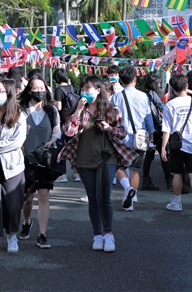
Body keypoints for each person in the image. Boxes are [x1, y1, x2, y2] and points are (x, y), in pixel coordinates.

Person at [59, 76, 138, 252]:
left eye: (89, 89)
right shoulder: (79, 110)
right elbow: (69, 132)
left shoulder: (112, 110)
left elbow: (123, 133)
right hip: (84, 160)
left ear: (98, 90)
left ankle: (109, 234)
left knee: (104, 197)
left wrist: (109, 128)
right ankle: (97, 234)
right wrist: (78, 110)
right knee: (93, 199)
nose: (85, 92)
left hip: (106, 159)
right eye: (83, 89)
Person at [18, 75, 61, 249]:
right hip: (24, 160)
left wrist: (53, 140)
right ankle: (26, 222)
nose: (38, 91)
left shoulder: (51, 110)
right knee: (27, 199)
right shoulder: (21, 110)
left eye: (41, 88)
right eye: (35, 88)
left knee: (44, 196)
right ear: (29, 90)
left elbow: (57, 132)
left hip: (44, 159)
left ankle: (43, 235)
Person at [0, 79, 27, 259]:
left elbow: (16, 143)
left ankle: (12, 236)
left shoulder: (20, 116)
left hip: (13, 165)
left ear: (10, 93)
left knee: (13, 205)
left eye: (1, 90)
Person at [161, 73, 192, 215]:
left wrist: (163, 148)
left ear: (172, 89)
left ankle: (177, 202)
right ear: (187, 86)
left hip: (177, 144)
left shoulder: (170, 105)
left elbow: (166, 130)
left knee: (177, 173)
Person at [110, 66, 155, 211]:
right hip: (140, 138)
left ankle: (127, 189)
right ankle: (132, 197)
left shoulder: (116, 97)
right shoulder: (144, 96)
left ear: (121, 80)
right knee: (135, 170)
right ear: (135, 78)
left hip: (122, 138)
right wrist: (151, 134)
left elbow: (111, 117)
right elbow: (148, 118)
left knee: (119, 167)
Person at [52, 68, 80, 183]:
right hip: (73, 122)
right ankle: (77, 173)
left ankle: (62, 174)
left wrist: (52, 102)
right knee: (74, 148)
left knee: (60, 148)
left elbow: (59, 107)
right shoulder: (73, 88)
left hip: (62, 122)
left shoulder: (59, 90)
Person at [141, 74, 166, 191]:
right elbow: (161, 106)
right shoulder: (153, 94)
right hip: (156, 129)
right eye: (159, 83)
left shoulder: (143, 94)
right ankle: (169, 180)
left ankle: (145, 179)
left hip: (147, 128)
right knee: (164, 154)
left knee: (149, 156)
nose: (160, 85)